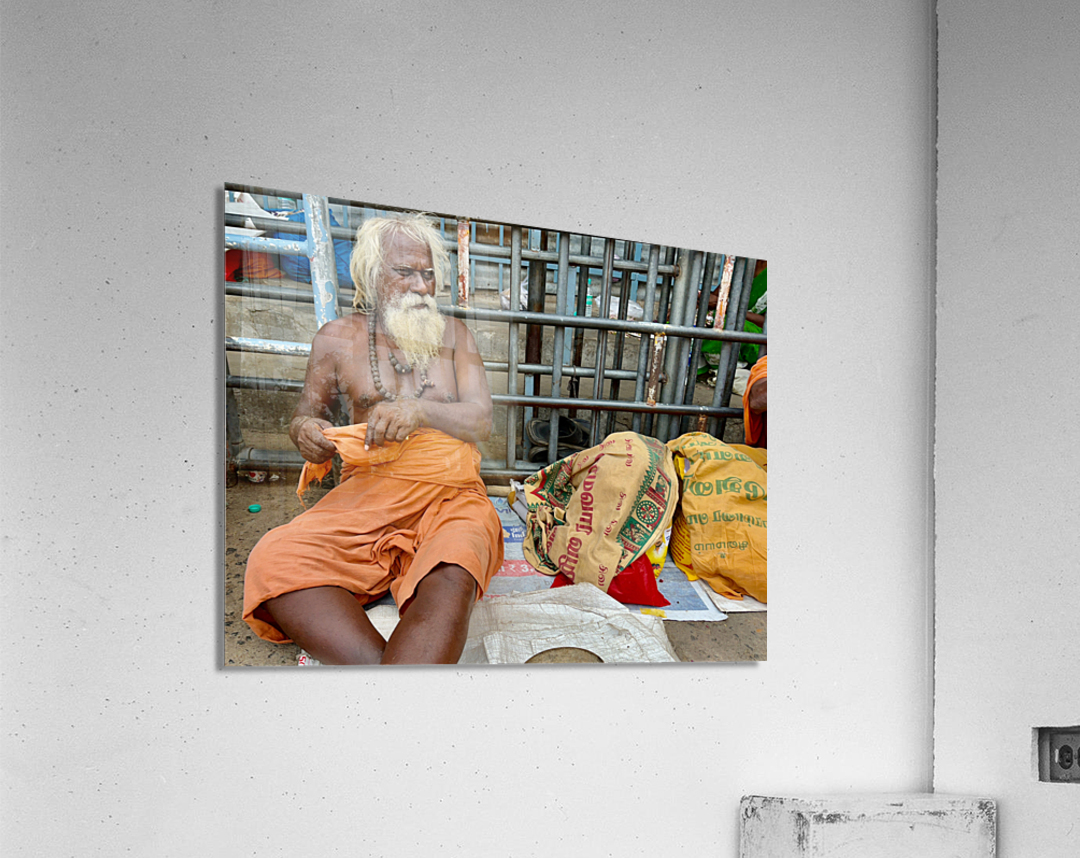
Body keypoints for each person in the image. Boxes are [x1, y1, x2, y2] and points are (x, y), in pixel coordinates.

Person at [242, 214, 503, 664]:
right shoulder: (336, 339)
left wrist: (419, 410)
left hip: (451, 496)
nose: (421, 286)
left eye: (428, 274)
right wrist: (307, 433)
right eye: (404, 272)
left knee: (457, 559)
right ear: (370, 276)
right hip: (366, 497)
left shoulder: (456, 335)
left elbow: (481, 420)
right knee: (273, 557)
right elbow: (305, 417)